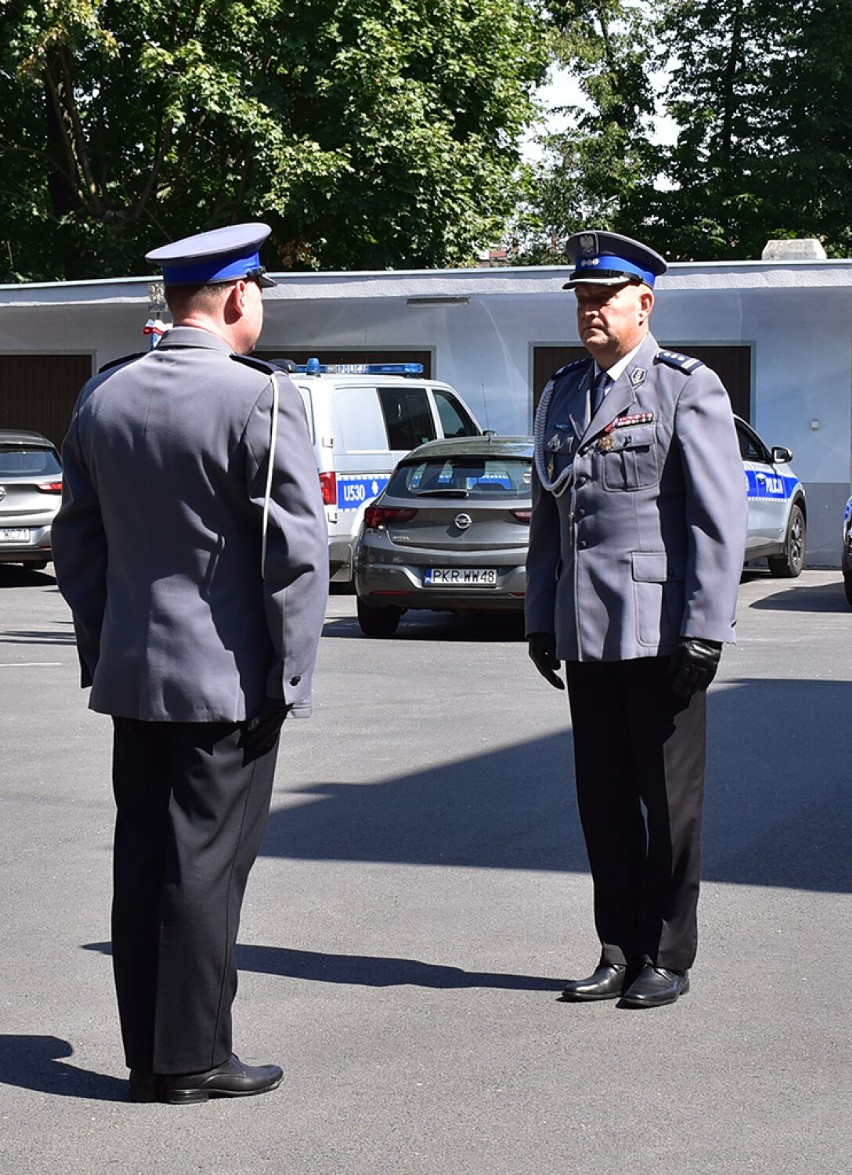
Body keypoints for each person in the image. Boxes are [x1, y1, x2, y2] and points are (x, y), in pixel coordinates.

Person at [52, 223, 329, 1101]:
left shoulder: (103, 397)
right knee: (207, 867)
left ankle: (151, 1053)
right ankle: (195, 1056)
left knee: (143, 862)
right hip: (227, 682)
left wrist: (108, 648)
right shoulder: (264, 399)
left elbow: (78, 548)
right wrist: (290, 675)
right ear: (240, 296)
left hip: (135, 677)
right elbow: (296, 558)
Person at [526, 230, 747, 1009]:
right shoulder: (561, 393)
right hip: (586, 631)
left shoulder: (687, 387)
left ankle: (668, 952)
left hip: (661, 631)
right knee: (604, 799)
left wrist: (706, 626)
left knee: (669, 802)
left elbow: (716, 520)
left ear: (643, 303)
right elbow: (548, 517)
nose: (588, 311)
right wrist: (539, 615)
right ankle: (617, 946)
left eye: (602, 298)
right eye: (582, 299)